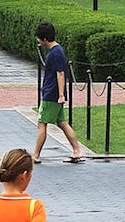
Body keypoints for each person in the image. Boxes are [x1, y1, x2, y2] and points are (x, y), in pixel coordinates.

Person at [33, 22, 86, 163]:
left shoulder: (55, 53)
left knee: (42, 123)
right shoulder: (56, 51)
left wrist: (61, 95)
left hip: (52, 94)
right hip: (53, 93)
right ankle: (77, 150)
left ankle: (36, 155)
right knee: (62, 122)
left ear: (44, 38)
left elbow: (60, 74)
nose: (38, 41)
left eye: (39, 38)